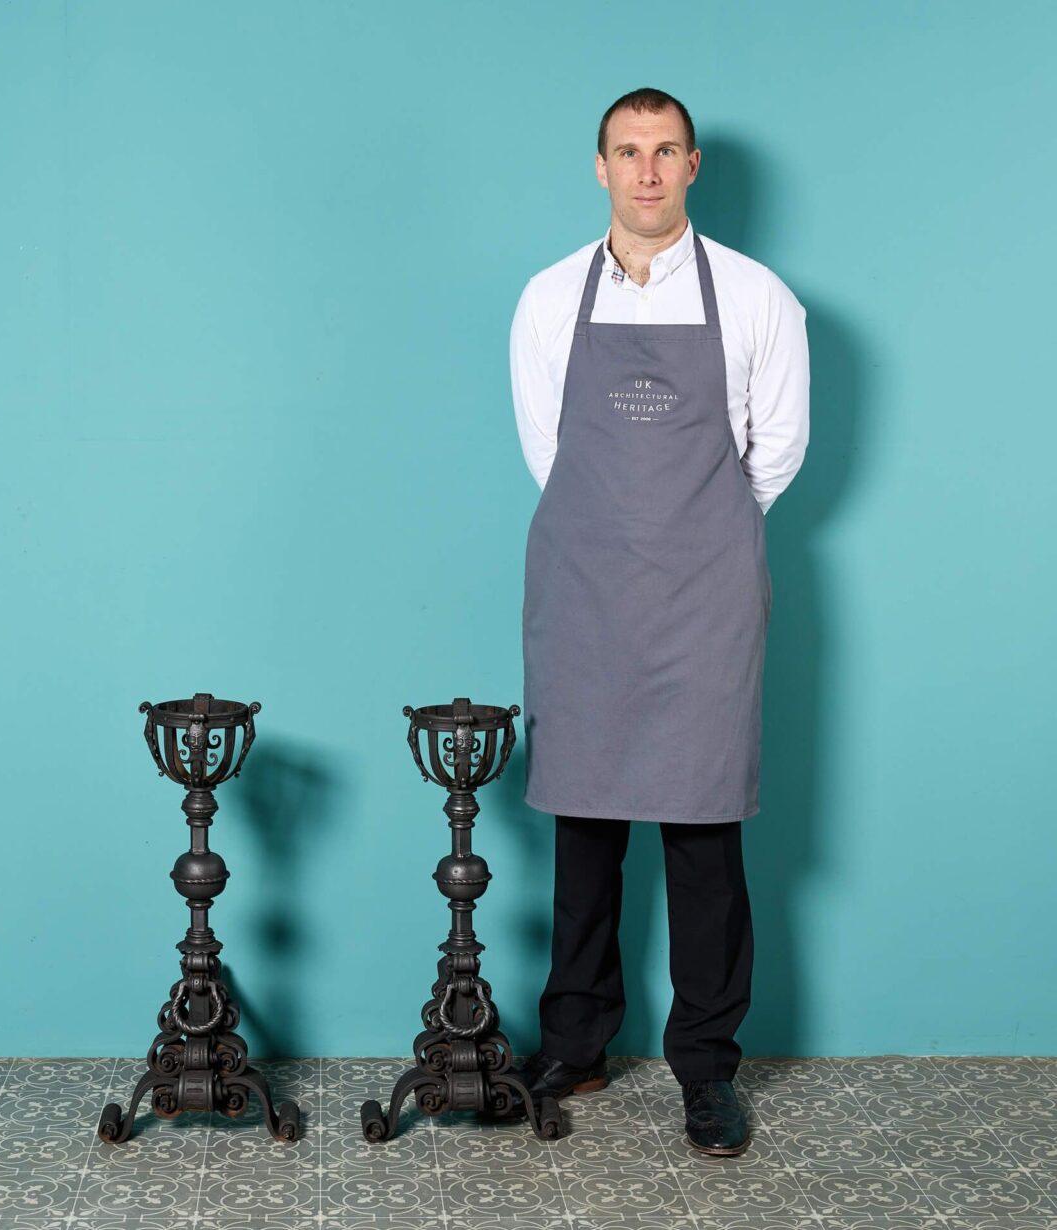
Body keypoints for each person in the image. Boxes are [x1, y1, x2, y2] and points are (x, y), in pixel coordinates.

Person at [509, 87, 809, 1156]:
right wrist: (618, 531)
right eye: (628, 151)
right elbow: (549, 451)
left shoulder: (759, 296)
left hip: (706, 594)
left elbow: (776, 451)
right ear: (601, 167)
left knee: (702, 829)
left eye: (665, 151)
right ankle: (575, 1044)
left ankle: (707, 1069)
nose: (646, 170)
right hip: (586, 585)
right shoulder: (550, 297)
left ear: (691, 167)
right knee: (583, 823)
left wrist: (697, 533)